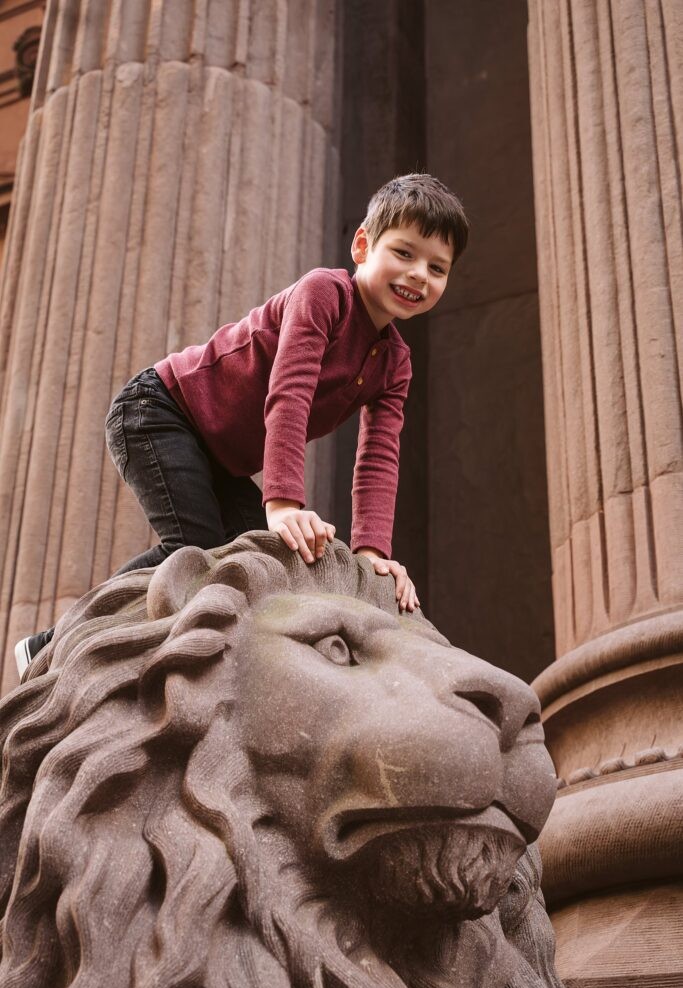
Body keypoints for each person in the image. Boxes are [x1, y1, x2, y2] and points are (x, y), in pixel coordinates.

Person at [15, 173, 468, 676]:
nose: (418, 275)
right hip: (161, 412)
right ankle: (53, 646)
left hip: (220, 458)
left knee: (263, 566)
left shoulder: (395, 363)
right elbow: (289, 393)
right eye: (404, 253)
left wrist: (370, 555)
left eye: (437, 267)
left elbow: (379, 456)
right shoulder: (325, 294)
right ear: (362, 245)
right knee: (197, 551)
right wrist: (283, 504)